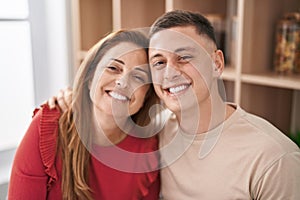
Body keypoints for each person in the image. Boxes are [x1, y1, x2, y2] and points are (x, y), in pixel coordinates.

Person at [49, 10, 300, 200]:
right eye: (159, 62)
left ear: (217, 64)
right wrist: (74, 99)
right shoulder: (157, 134)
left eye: (185, 57)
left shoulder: (274, 158)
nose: (170, 73)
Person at [8, 30, 161, 200]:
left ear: (145, 97)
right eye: (113, 68)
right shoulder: (48, 128)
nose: (123, 82)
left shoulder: (148, 151)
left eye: (139, 77)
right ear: (90, 78)